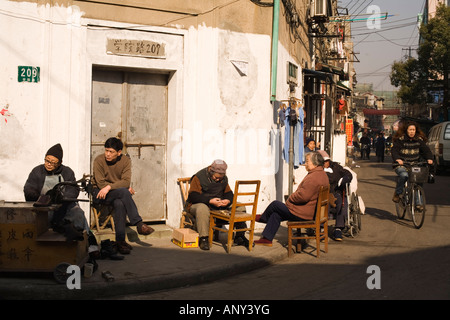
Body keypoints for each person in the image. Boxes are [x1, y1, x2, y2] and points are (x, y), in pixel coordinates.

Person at [91, 137, 154, 254]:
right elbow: (100, 184)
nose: (107, 154)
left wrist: (112, 187)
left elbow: (126, 181)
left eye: (111, 152)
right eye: (106, 150)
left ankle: (120, 241)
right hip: (99, 193)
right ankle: (139, 223)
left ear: (119, 152)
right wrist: (121, 187)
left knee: (119, 203)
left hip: (115, 193)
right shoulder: (99, 160)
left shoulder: (125, 160)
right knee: (125, 192)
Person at [254, 152, 329, 246]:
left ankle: (263, 218)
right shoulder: (322, 174)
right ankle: (267, 239)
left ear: (315, 163)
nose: (305, 164)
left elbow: (303, 197)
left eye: (307, 161)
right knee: (276, 214)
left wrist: (291, 197)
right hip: (309, 211)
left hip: (303, 214)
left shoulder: (313, 178)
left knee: (275, 204)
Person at [24, 144, 92, 242]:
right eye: (47, 160)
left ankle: (84, 244)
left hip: (64, 206)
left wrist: (61, 198)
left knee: (78, 214)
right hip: (43, 207)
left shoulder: (67, 172)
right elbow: (28, 190)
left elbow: (73, 190)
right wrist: (43, 198)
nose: (48, 164)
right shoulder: (37, 172)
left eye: (53, 163)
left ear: (60, 163)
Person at [186, 159, 251, 251]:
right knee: (202, 208)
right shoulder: (199, 177)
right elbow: (193, 196)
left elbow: (229, 194)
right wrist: (209, 200)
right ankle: (204, 238)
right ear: (211, 171)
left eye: (220, 178)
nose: (218, 179)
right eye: (216, 177)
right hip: (198, 204)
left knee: (240, 206)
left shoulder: (223, 179)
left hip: (217, 205)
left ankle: (239, 236)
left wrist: (227, 200)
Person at [391, 121, 433, 205]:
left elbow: (426, 150)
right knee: (404, 175)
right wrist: (398, 159)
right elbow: (394, 151)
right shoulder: (401, 140)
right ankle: (398, 193)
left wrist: (429, 158)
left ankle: (419, 204)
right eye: (410, 130)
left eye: (413, 130)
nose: (412, 132)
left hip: (415, 165)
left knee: (419, 182)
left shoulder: (419, 140)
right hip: (402, 165)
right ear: (406, 130)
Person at [318, 150, 353, 241]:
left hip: (336, 192)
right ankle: (321, 227)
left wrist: (344, 179)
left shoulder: (336, 167)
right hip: (323, 193)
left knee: (341, 203)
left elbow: (348, 174)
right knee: (324, 205)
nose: (326, 163)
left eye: (327, 161)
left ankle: (338, 228)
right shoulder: (317, 170)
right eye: (323, 162)